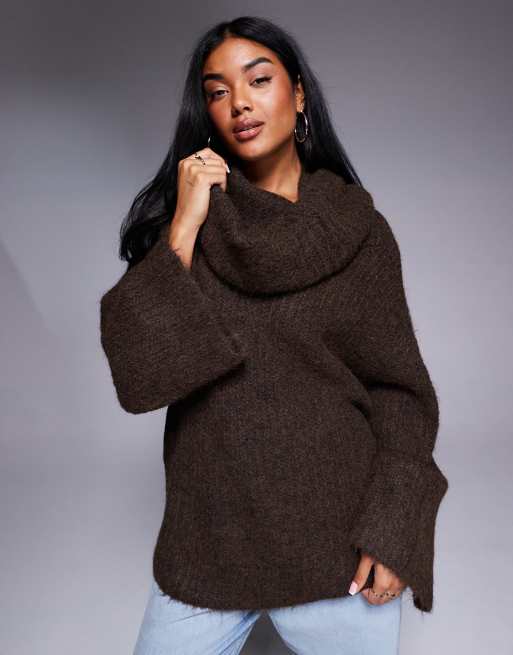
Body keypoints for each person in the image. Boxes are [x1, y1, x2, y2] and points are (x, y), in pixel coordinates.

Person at [99, 15, 449, 655]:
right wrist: (183, 225)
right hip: (206, 547)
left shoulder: (361, 233)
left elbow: (400, 394)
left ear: (299, 94)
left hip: (338, 552)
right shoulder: (190, 226)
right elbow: (140, 376)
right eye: (218, 91)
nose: (239, 102)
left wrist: (394, 527)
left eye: (258, 80)